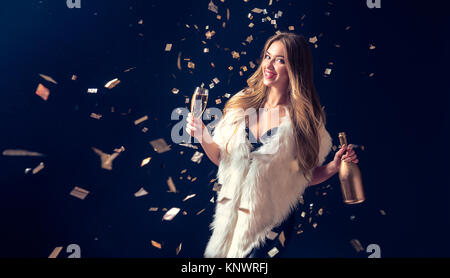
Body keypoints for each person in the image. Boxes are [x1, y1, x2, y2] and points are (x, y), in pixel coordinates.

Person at [186, 32, 358, 258]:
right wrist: (203, 136)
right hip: (230, 218)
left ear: (295, 68)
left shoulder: (305, 123)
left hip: (270, 226)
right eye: (268, 56)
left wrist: (334, 167)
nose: (269, 64)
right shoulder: (243, 103)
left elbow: (301, 177)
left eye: (280, 60)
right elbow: (222, 159)